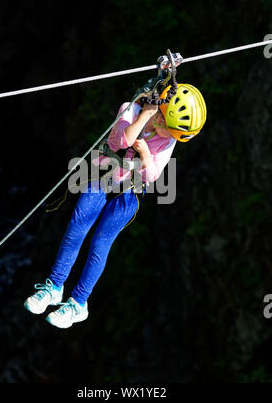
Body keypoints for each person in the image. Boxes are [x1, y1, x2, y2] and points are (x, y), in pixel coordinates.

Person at [24, 83, 207, 329]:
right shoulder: (130, 110)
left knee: (100, 244)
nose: (169, 137)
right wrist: (145, 116)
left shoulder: (168, 141)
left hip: (128, 192)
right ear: (160, 115)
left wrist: (145, 155)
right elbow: (120, 140)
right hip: (102, 176)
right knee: (76, 229)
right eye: (169, 131)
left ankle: (78, 303)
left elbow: (153, 176)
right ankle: (54, 286)